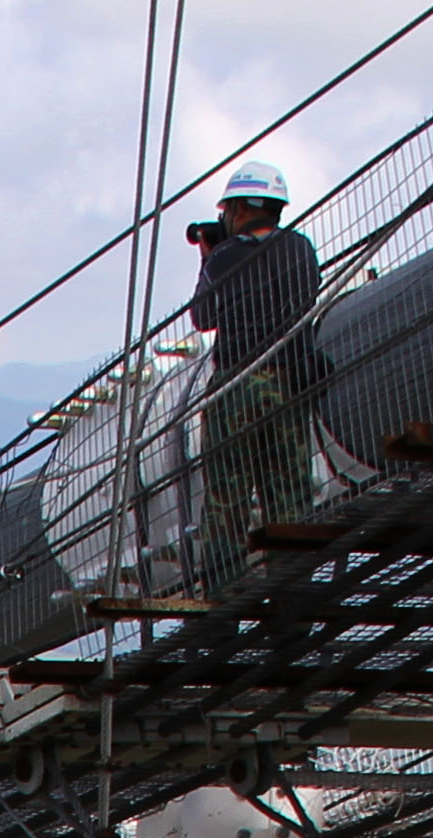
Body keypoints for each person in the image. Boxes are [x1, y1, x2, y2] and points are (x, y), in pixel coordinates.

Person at [184, 159, 328, 570]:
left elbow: (204, 316)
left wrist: (208, 259)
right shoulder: (300, 248)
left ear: (241, 210)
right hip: (289, 379)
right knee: (290, 495)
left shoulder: (225, 257)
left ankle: (225, 599)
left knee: (227, 500)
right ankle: (293, 595)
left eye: (227, 210)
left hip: (237, 383)